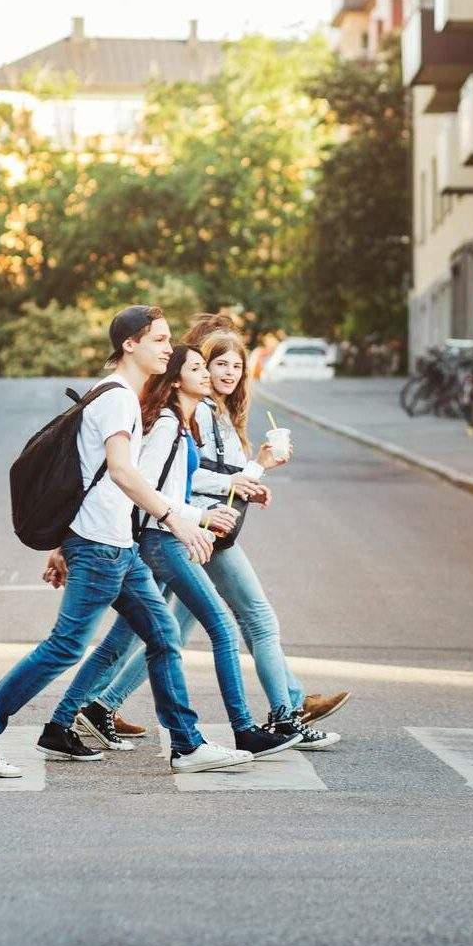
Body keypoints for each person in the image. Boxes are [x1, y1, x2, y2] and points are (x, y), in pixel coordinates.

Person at [0, 306, 251, 779]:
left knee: (163, 635)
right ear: (130, 344)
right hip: (100, 548)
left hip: (119, 546)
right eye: (159, 340)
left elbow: (91, 478)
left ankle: (187, 745)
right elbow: (122, 471)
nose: (168, 349)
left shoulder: (119, 396)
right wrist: (177, 517)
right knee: (66, 646)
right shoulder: (116, 399)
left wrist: (62, 543)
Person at [71, 321, 349, 752]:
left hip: (190, 530)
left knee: (159, 630)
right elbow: (180, 477)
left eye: (236, 365)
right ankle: (279, 716)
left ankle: (95, 707)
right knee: (245, 620)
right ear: (184, 373)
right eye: (215, 364)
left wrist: (251, 477)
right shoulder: (186, 414)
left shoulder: (209, 412)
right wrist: (249, 474)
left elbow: (204, 475)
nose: (226, 373)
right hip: (189, 532)